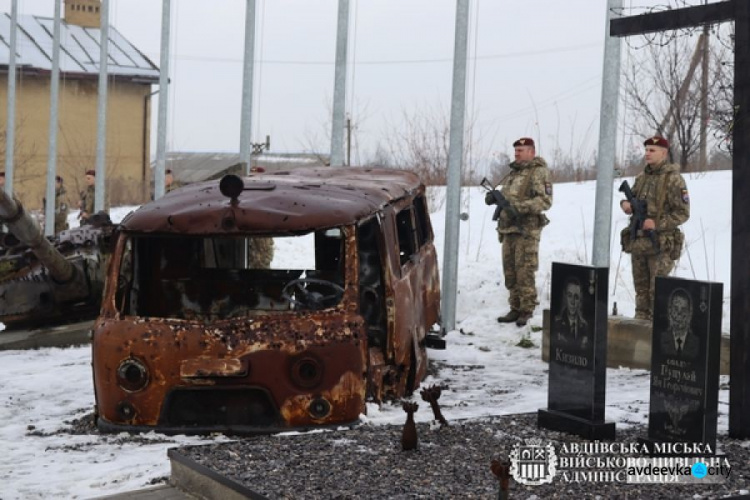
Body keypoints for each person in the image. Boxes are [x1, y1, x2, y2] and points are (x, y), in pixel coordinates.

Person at [620, 136, 690, 320]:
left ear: (664, 153)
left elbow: (683, 213)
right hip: (639, 243)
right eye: (646, 150)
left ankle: (656, 338)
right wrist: (625, 204)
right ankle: (640, 335)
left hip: (660, 245)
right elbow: (631, 199)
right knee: (641, 294)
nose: (647, 154)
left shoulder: (674, 180)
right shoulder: (641, 178)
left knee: (658, 294)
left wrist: (657, 224)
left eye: (652, 150)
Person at [492, 138, 553, 326]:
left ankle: (526, 309)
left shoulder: (538, 172)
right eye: (516, 150)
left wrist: (519, 207)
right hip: (508, 229)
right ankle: (515, 307)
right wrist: (495, 198)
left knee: (524, 270)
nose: (517, 153)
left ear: (531, 152)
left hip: (526, 230)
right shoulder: (513, 173)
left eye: (521, 150)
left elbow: (545, 201)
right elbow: (507, 197)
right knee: (510, 270)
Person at [659, 287, 698, 360]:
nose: (679, 314)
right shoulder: (661, 339)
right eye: (676, 309)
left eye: (683, 309)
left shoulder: (696, 343)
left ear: (690, 313)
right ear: (669, 311)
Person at [553, 276, 590, 349]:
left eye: (576, 297)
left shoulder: (584, 325)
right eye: (570, 296)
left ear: (580, 299)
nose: (572, 302)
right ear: (565, 296)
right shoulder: (557, 322)